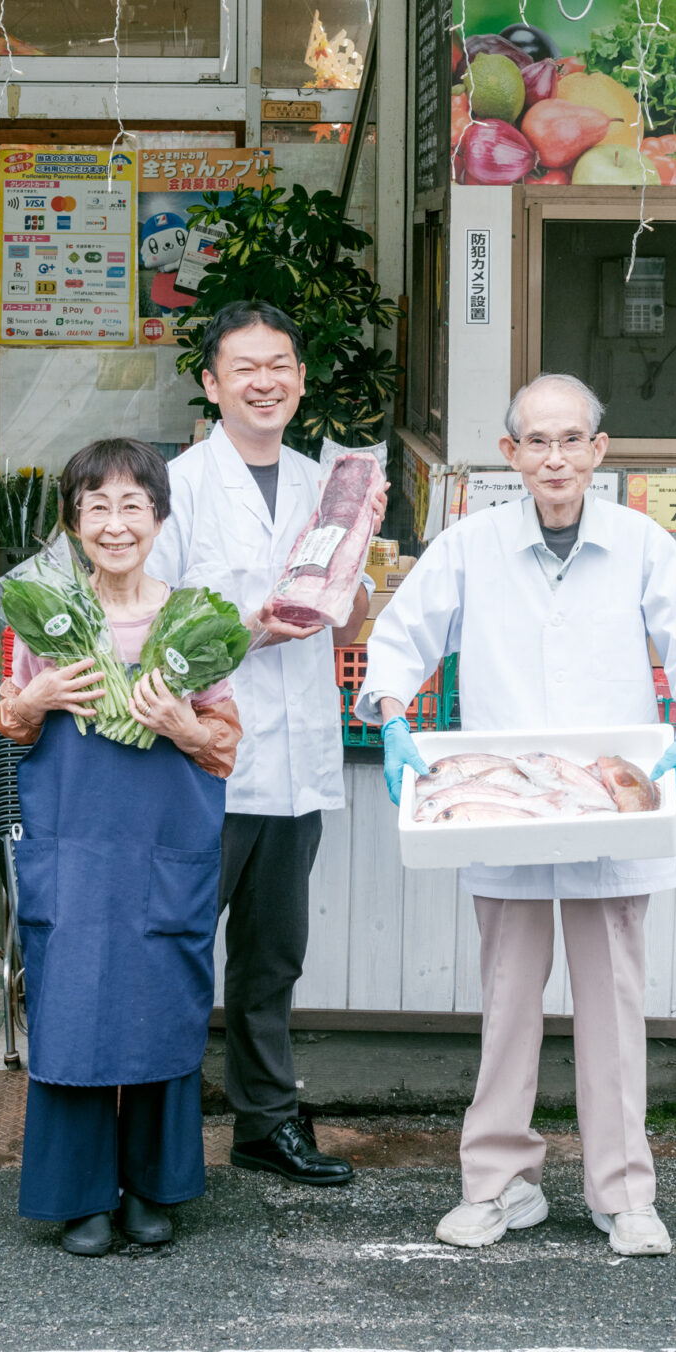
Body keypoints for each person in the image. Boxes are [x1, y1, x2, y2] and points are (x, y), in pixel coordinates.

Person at [362, 372, 676, 1260]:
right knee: (506, 1004)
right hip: (507, 803)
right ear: (510, 455)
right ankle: (498, 1186)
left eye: (572, 440)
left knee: (613, 1006)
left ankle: (624, 1193)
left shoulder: (641, 544)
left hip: (612, 803)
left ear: (599, 452)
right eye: (537, 440)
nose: (555, 456)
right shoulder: (470, 545)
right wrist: (390, 716)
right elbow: (401, 634)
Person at [146, 298, 380, 1188]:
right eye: (243, 367)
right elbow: (151, 635)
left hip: (296, 759)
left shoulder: (333, 482)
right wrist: (246, 631)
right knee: (176, 942)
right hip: (205, 755)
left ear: (300, 378)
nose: (263, 381)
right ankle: (155, 1127)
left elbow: (348, 613)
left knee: (273, 955)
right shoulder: (175, 488)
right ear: (210, 385)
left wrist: (351, 587)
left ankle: (264, 1122)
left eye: (278, 364)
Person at [0, 436, 243, 1256]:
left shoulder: (194, 620)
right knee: (72, 1006)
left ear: (160, 519)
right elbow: (3, 734)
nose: (113, 523)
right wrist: (32, 698)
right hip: (72, 847)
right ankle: (79, 1197)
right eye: (95, 506)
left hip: (159, 850)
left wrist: (180, 722)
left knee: (155, 1003)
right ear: (72, 523)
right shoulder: (42, 617)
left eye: (131, 505)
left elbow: (224, 748)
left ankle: (152, 1187)